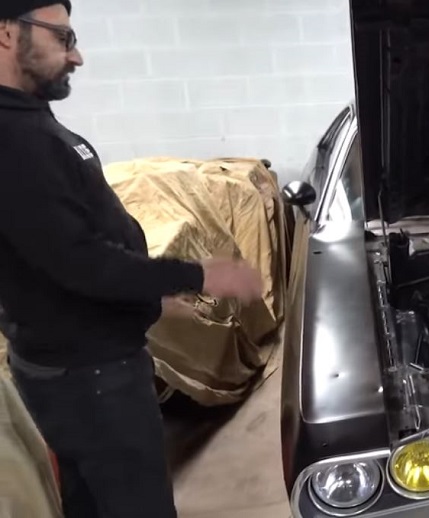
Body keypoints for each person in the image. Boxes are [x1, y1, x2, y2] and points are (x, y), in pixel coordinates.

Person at [0, 2, 265, 517]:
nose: (76, 56)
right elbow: (84, 262)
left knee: (93, 504)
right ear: (6, 34)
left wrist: (151, 299)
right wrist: (200, 274)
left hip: (78, 368)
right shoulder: (13, 139)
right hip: (91, 380)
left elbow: (56, 255)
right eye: (63, 37)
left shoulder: (29, 122)